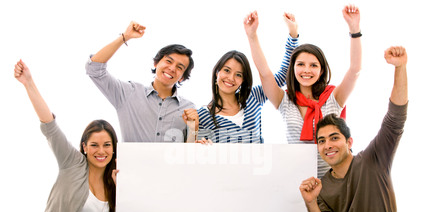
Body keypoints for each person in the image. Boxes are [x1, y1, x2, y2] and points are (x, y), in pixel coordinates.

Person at [242, 46, 408, 212]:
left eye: (334, 138)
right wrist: (311, 203)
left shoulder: (374, 161)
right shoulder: (323, 185)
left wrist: (400, 67)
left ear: (349, 142)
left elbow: (395, 118)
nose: (328, 145)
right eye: (321, 141)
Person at [15, 60, 166, 212]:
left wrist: (120, 192)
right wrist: (29, 83)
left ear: (114, 149)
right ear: (84, 147)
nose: (101, 151)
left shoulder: (113, 182)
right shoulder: (71, 163)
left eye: (107, 145)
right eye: (94, 145)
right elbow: (49, 125)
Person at [245, 5, 362, 177]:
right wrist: (252, 36)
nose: (306, 70)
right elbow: (265, 73)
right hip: (300, 181)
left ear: (321, 71)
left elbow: (355, 70)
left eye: (313, 65)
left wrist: (354, 30)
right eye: (300, 64)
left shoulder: (334, 97)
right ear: (292, 69)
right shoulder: (284, 100)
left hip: (337, 181)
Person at [86, 21, 199, 143]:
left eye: (179, 67)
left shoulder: (189, 108)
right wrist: (125, 37)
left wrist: (193, 129)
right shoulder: (128, 93)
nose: (172, 68)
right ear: (156, 63)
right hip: (131, 162)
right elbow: (94, 69)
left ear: (182, 77)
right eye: (168, 61)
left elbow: (189, 154)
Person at [197, 11, 299, 143]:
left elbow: (283, 74)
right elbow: (197, 154)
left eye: (238, 75)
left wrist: (293, 34)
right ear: (217, 72)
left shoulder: (253, 98)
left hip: (260, 164)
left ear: (243, 80)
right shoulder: (203, 115)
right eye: (227, 70)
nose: (231, 78)